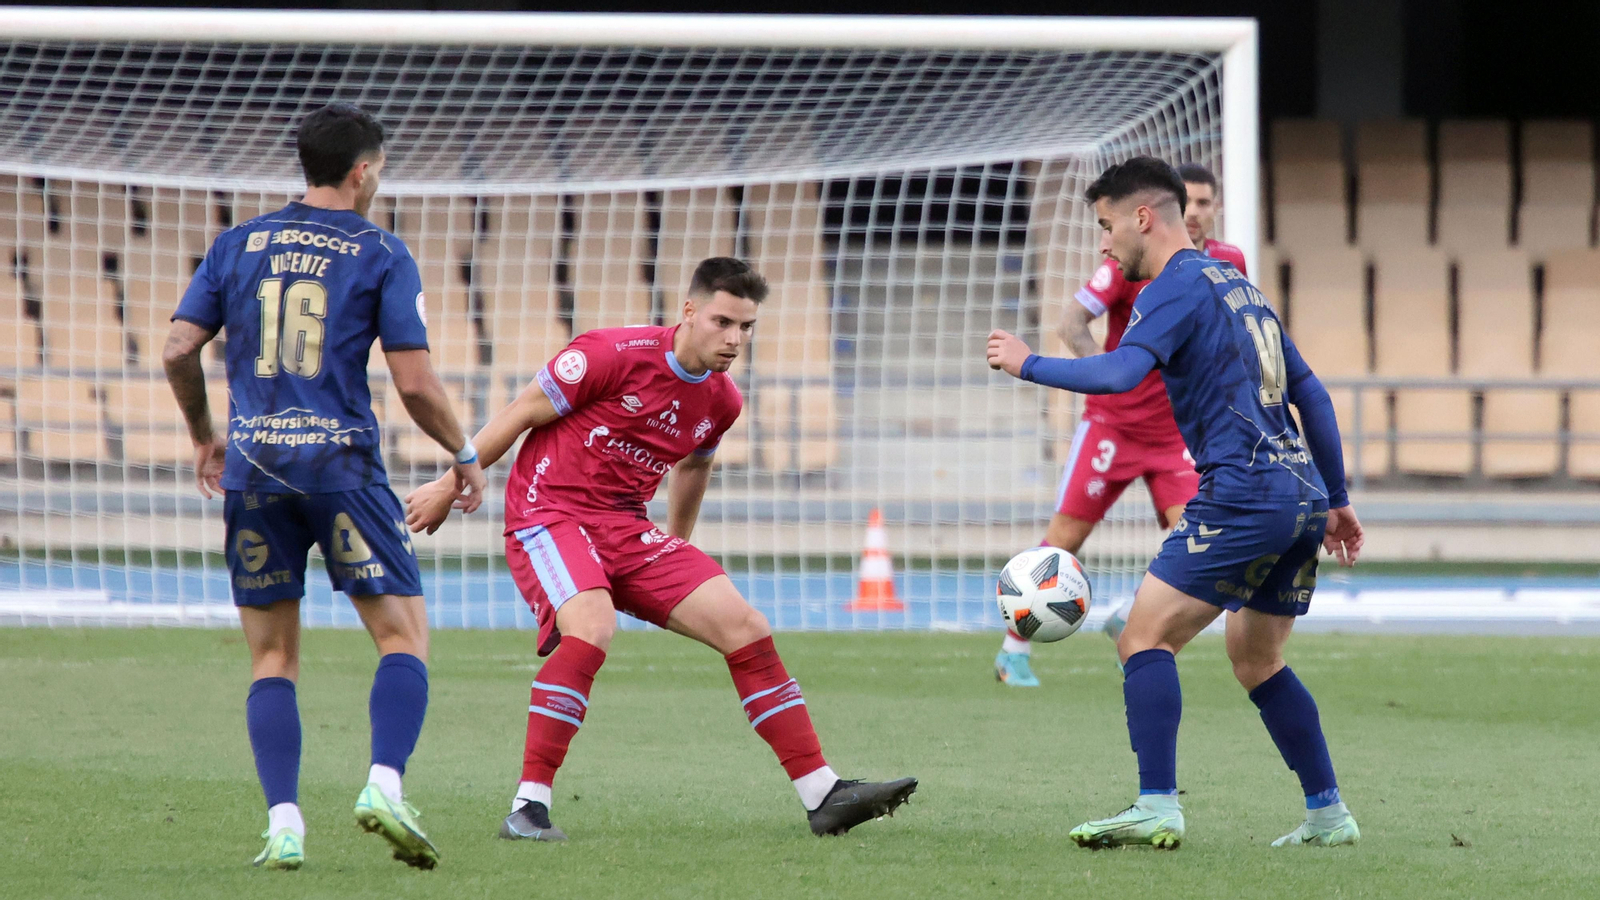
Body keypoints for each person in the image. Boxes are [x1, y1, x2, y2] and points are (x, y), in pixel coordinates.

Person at [404, 257, 917, 842]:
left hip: (626, 526)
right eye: (723, 322)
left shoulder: (722, 401)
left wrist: (675, 550)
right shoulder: (610, 354)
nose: (735, 339)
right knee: (592, 627)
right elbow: (521, 413)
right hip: (549, 513)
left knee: (745, 626)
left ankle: (821, 793)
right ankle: (528, 808)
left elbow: (694, 465)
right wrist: (450, 485)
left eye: (746, 327)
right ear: (690, 310)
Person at [986, 156, 1364, 849]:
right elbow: (1311, 392)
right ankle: (1328, 815)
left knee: (1141, 635)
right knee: (1257, 662)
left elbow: (1123, 373)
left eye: (1105, 227)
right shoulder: (1239, 285)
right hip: (1301, 494)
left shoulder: (1173, 286)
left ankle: (1157, 803)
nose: (1103, 244)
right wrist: (1337, 499)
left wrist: (1027, 363)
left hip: (1245, 494)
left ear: (1142, 218)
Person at [163, 104, 487, 870]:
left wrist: (203, 433)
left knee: (273, 659)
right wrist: (464, 451)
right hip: (341, 468)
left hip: (254, 469)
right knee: (402, 637)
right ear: (363, 170)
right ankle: (383, 783)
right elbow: (414, 384)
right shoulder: (379, 250)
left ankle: (284, 825)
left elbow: (179, 348)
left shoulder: (237, 243)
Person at [994, 163, 1246, 688]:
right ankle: (1012, 650)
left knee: (1196, 540)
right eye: (1189, 202)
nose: (1196, 212)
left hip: (1175, 433)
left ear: (1213, 208)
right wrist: (1111, 377)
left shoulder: (1227, 263)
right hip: (1112, 426)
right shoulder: (1126, 266)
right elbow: (1069, 324)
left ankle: (1134, 621)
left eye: (1204, 203)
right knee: (1066, 536)